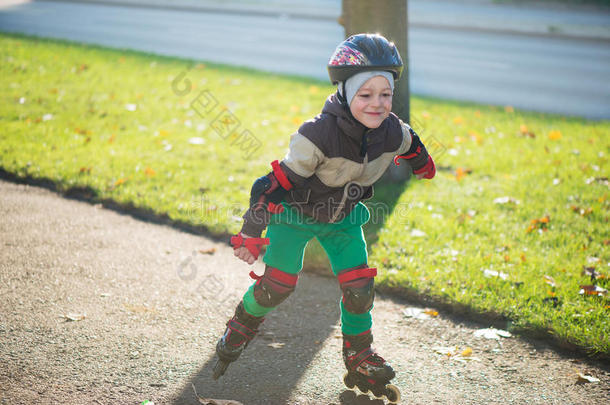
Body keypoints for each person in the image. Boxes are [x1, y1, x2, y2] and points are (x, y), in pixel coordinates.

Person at [212, 33, 435, 402]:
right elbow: (271, 185)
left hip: (343, 219)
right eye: (366, 95)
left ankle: (359, 354)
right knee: (277, 287)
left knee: (360, 287)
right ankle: (242, 323)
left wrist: (422, 164)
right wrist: (251, 232)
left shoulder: (393, 131)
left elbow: (412, 143)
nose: (377, 104)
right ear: (346, 93)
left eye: (386, 94)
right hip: (294, 215)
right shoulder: (316, 136)